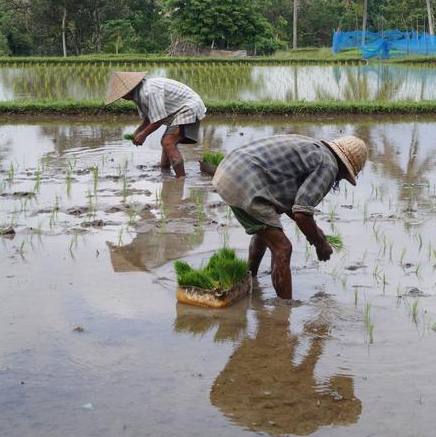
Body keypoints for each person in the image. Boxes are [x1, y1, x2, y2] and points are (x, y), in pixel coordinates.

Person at [212, 134, 367, 299]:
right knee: (283, 248)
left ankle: (250, 279)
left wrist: (316, 231)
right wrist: (320, 244)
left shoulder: (314, 148)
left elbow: (295, 206)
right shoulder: (329, 166)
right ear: (344, 167)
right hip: (245, 182)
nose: (340, 179)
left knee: (267, 230)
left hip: (228, 170)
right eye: (344, 177)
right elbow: (301, 214)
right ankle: (283, 311)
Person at [105, 72, 206, 177]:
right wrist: (137, 132)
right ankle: (165, 172)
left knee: (168, 142)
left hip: (189, 107)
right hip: (179, 111)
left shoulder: (149, 91)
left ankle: (180, 179)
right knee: (166, 142)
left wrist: (143, 135)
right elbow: (148, 119)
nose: (122, 98)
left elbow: (159, 119)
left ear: (128, 90)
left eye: (122, 94)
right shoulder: (139, 97)